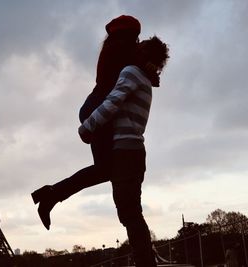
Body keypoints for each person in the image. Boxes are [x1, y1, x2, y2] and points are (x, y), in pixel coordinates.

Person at [32, 15, 141, 230]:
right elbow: (136, 71)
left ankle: (50, 195)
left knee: (104, 170)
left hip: (92, 106)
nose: (138, 40)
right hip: (97, 110)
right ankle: (50, 195)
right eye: (135, 36)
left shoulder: (112, 50)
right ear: (129, 35)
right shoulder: (123, 51)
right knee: (105, 170)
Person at [78, 36, 169, 266]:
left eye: (138, 47)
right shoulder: (146, 81)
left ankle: (145, 262)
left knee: (130, 214)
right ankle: (145, 260)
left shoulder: (130, 73)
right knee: (131, 213)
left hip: (124, 152)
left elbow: (112, 102)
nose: (133, 48)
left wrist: (87, 126)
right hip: (136, 153)